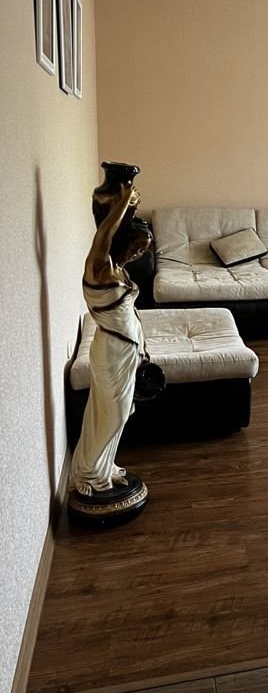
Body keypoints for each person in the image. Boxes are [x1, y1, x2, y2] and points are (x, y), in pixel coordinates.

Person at [68, 181, 152, 496]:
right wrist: (122, 204)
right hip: (111, 352)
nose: (139, 253)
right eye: (136, 246)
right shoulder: (99, 268)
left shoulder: (119, 269)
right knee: (111, 416)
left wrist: (143, 347)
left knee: (116, 414)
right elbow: (102, 236)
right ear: (122, 241)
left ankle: (103, 467)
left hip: (127, 351)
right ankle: (88, 474)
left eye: (144, 249)